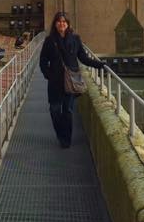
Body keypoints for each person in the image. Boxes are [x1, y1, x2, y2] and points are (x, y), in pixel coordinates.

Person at [39, 10, 103, 148]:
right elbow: (43, 60)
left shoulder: (75, 39)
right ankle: (60, 133)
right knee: (55, 111)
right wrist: (48, 74)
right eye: (59, 21)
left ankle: (66, 140)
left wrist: (99, 64)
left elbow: (83, 58)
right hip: (55, 82)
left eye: (64, 22)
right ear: (55, 24)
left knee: (67, 111)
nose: (61, 24)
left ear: (67, 24)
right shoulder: (49, 41)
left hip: (71, 81)